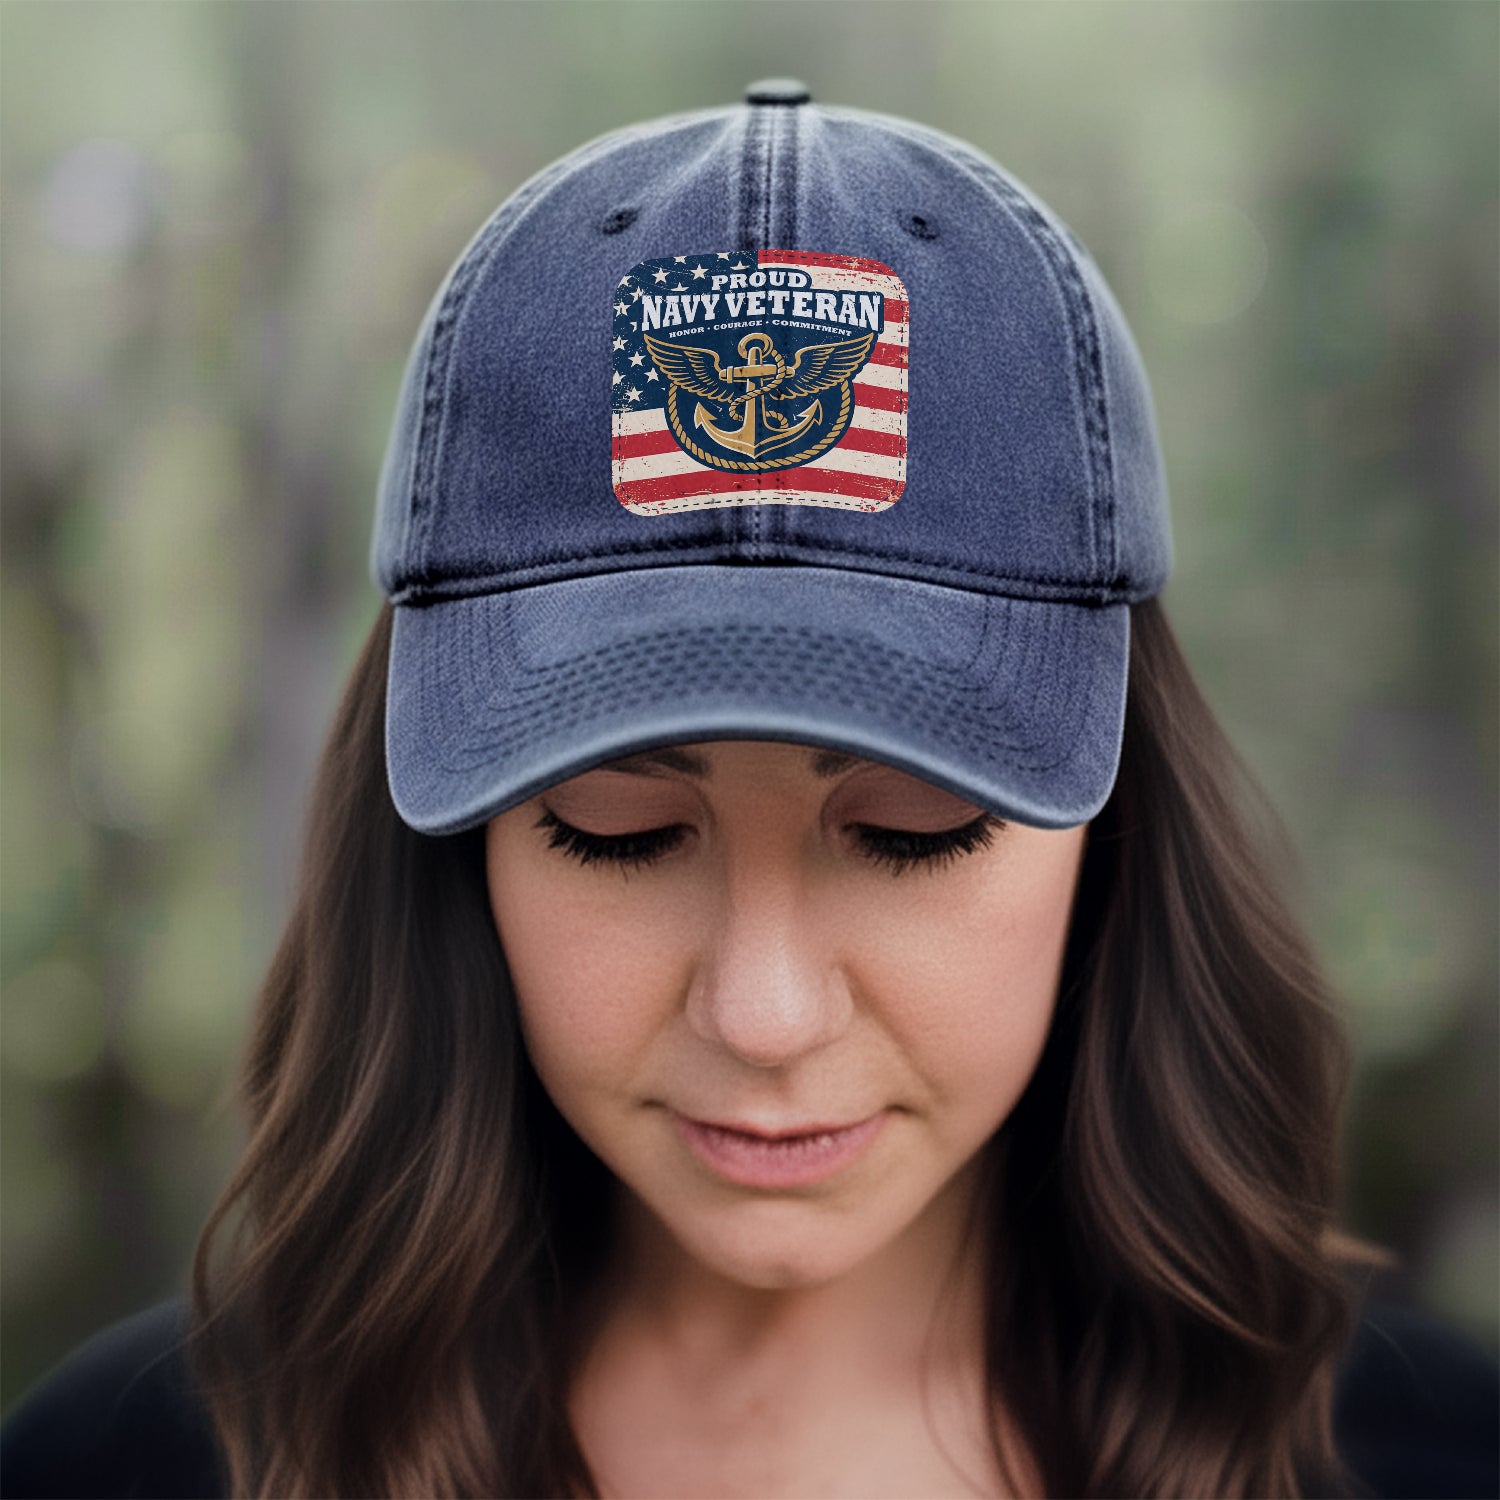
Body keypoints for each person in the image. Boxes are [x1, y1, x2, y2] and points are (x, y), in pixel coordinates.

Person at [3, 81, 1496, 1500]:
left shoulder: (1434, 1458)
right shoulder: (123, 1466)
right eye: (619, 832)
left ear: (1115, 827)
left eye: (915, 830)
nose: (765, 1015)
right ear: (452, 849)